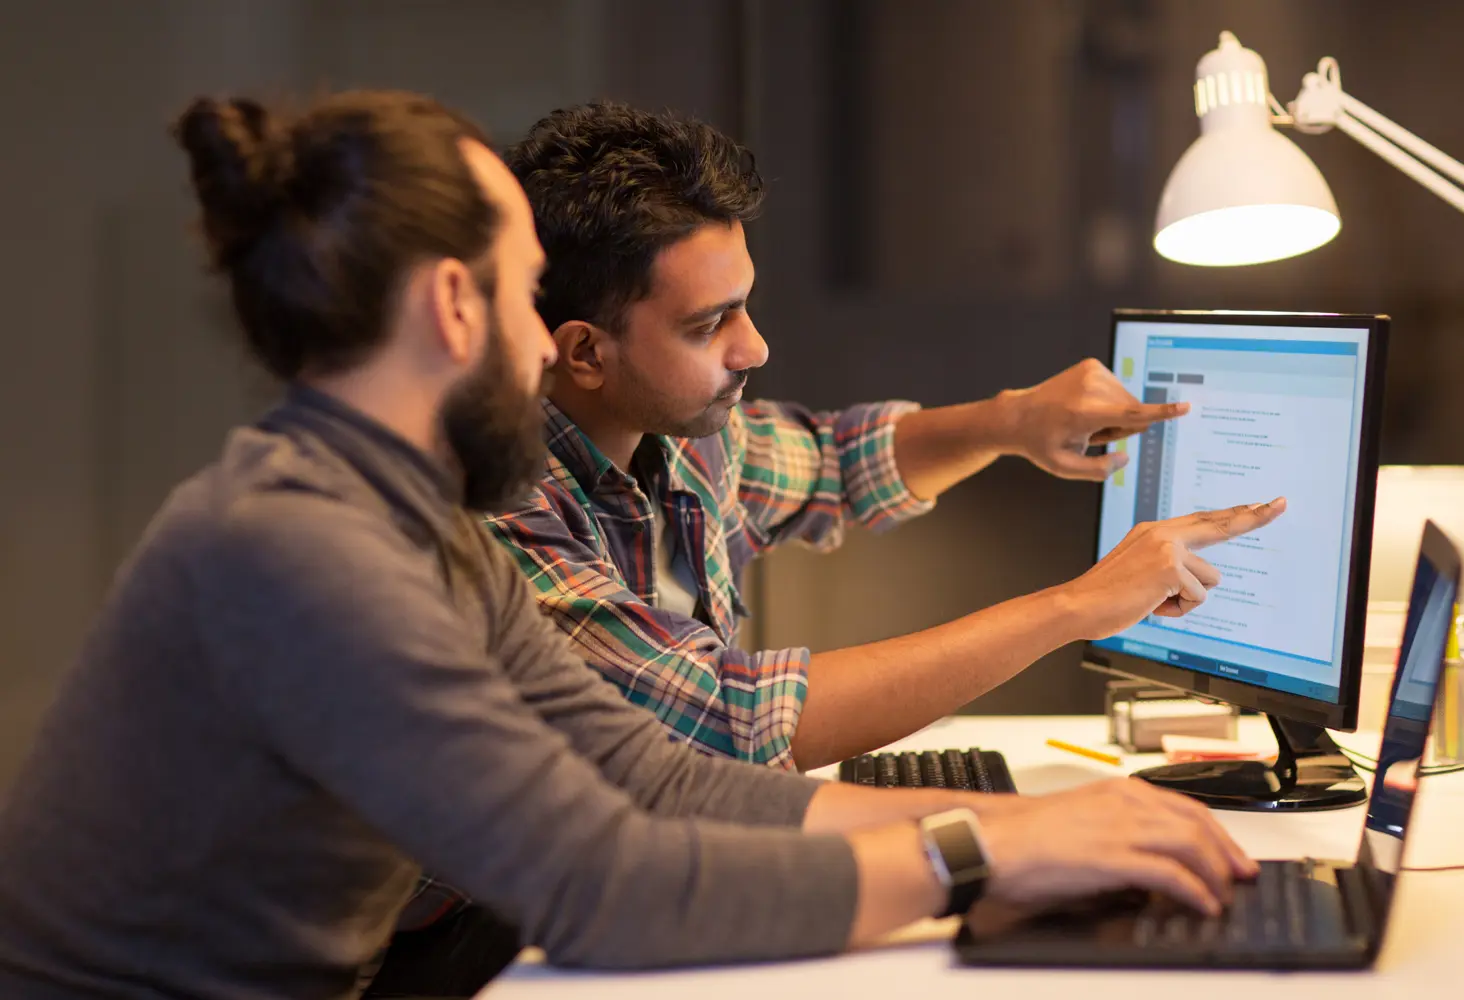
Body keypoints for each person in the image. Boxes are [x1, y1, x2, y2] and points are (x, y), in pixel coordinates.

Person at [0, 88, 1268, 1000]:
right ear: (460, 306)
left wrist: (1062, 827)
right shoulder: (298, 553)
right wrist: (979, 852)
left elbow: (661, 782)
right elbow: (607, 881)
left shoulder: (417, 524)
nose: (541, 342)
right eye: (517, 289)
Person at [490, 102, 1281, 770]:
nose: (754, 348)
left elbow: (837, 463)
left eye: (745, 304)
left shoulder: (684, 439)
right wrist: (1076, 606)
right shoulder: (502, 513)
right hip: (493, 938)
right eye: (709, 325)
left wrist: (1011, 422)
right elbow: (724, 722)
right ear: (586, 352)